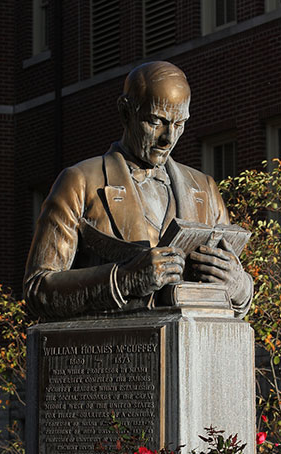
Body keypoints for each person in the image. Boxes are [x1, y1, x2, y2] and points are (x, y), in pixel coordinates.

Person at [24, 61, 252, 319]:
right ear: (125, 112)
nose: (169, 138)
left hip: (194, 344)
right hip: (116, 349)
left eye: (179, 124)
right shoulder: (80, 182)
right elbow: (38, 290)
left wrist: (239, 286)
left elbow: (238, 302)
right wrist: (123, 280)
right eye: (156, 121)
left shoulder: (205, 190)